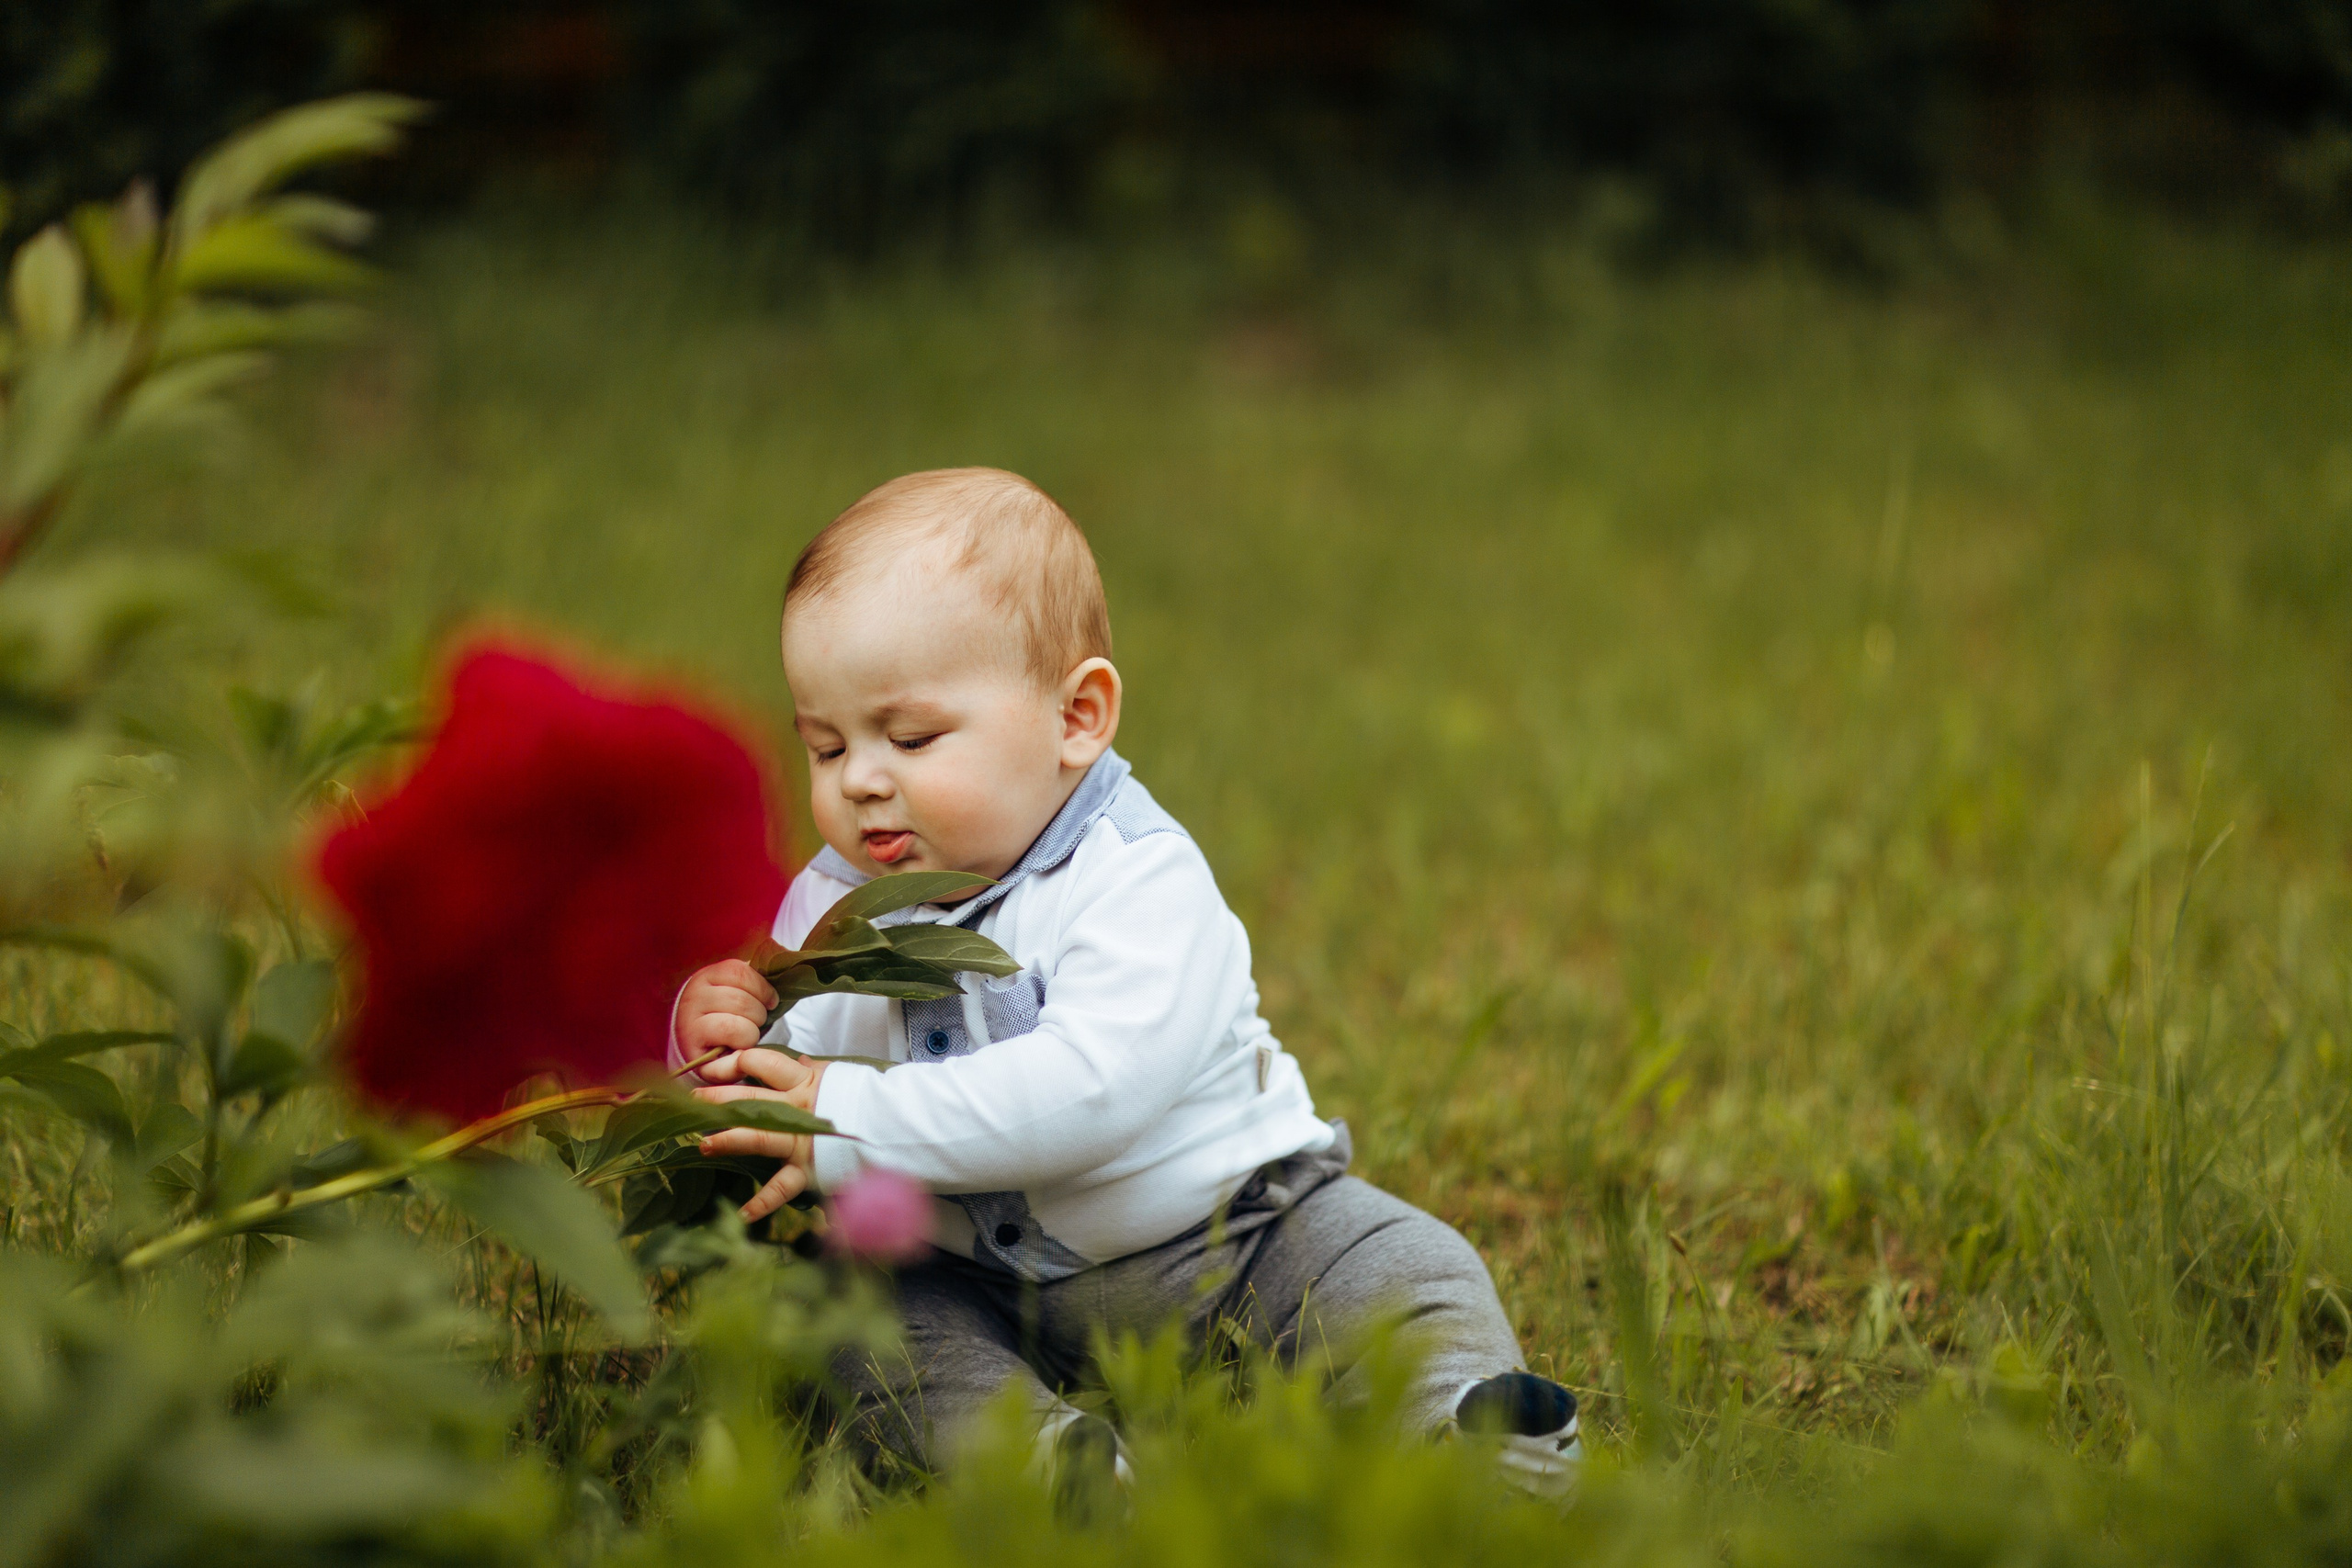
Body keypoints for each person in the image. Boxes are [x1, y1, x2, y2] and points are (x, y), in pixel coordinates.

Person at [671, 467, 1579, 1495]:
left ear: (1078, 717)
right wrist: (715, 1034)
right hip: (966, 1280)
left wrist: (853, 1119)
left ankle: (1462, 1426)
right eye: (825, 747)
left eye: (911, 737)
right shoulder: (833, 902)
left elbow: (1090, 1091)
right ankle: (1049, 1469)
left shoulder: (1136, 877)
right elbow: (782, 1089)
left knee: (1394, 1267)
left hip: (1233, 1242)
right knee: (844, 1315)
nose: (861, 779)